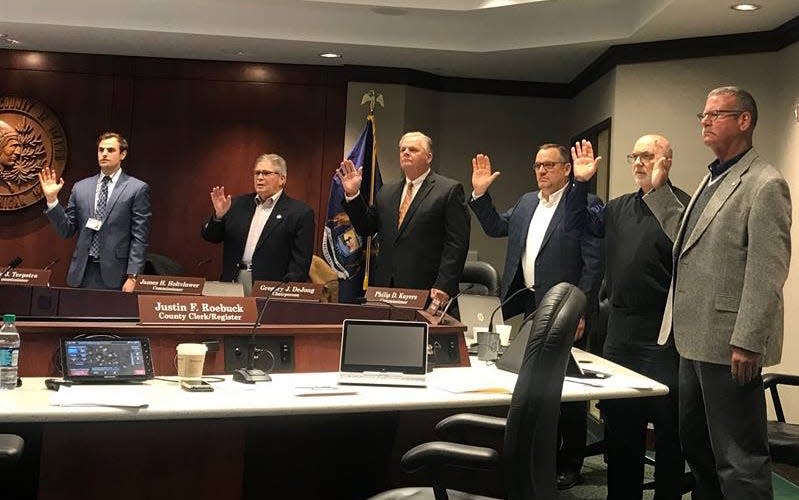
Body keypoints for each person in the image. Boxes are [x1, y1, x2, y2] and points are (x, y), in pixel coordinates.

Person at [644, 87, 791, 499]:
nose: (705, 121)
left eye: (716, 114)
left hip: (730, 345)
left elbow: (768, 271)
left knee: (739, 459)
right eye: (703, 114)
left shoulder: (765, 184)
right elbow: (687, 244)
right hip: (693, 340)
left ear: (744, 121)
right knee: (700, 450)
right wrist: (658, 191)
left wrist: (748, 339)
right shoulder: (713, 177)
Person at [468, 143, 602, 489]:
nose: (541, 171)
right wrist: (481, 195)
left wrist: (581, 309)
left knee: (566, 389)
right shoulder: (528, 202)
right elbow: (498, 227)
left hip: (564, 310)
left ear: (566, 170)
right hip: (530, 304)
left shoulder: (585, 205)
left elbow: (592, 263)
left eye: (549, 165)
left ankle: (570, 461)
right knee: (532, 383)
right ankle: (537, 453)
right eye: (537, 165)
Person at [569, 135, 688, 499]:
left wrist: (660, 191)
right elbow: (578, 225)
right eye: (633, 156)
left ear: (666, 161)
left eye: (647, 156)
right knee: (621, 428)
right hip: (620, 333)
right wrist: (580, 184)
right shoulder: (618, 207)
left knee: (669, 430)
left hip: (664, 334)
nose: (638, 162)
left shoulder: (683, 207)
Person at [337, 131, 470, 307]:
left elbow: (457, 243)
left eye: (413, 149)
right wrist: (353, 195)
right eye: (402, 150)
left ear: (428, 157)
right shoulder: (387, 191)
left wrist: (444, 285)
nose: (406, 152)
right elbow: (367, 227)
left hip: (426, 289)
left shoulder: (448, 190)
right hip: (385, 288)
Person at [39, 132, 150, 291]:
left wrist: (133, 276)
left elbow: (140, 237)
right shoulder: (81, 187)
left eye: (110, 150)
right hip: (82, 272)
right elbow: (66, 230)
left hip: (116, 274)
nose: (104, 154)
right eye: (101, 150)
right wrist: (51, 200)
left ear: (123, 154)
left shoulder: (137, 189)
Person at [201, 153, 314, 294]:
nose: (260, 177)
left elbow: (300, 263)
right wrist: (219, 216)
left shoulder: (299, 213)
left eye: (266, 173)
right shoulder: (237, 204)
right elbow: (211, 236)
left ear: (282, 179)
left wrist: (287, 293)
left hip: (271, 287)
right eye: (257, 173)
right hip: (233, 280)